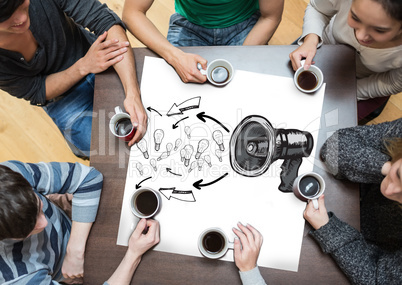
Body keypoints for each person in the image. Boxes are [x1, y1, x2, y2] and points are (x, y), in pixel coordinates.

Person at [0, 0, 147, 159]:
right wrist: (83, 66)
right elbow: (37, 90)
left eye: (22, 4)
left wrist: (132, 93)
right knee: (108, 152)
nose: (21, 18)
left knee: (150, 105)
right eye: (5, 17)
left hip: (95, 53)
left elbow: (104, 21)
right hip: (62, 97)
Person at [0, 160, 160, 284]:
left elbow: (89, 178)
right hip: (71, 273)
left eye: (39, 208)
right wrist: (133, 254)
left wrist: (74, 251)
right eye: (30, 229)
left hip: (72, 233)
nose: (44, 223)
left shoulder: (11, 175)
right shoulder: (16, 278)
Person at [303, 118, 402, 284]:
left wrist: (329, 230)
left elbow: (377, 280)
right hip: (352, 197)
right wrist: (385, 168)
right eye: (399, 174)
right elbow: (334, 147)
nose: (389, 191)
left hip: (370, 246)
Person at [289, 0, 402, 122]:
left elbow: (393, 82)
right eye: (355, 17)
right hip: (322, 48)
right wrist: (311, 39)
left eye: (379, 30)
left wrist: (350, 91)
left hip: (367, 82)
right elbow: (318, 8)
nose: (360, 36)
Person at [122, 0, 284, 83]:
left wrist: (242, 60)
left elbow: (270, 17)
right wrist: (175, 57)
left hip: (244, 24)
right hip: (189, 24)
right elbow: (132, 13)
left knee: (250, 87)